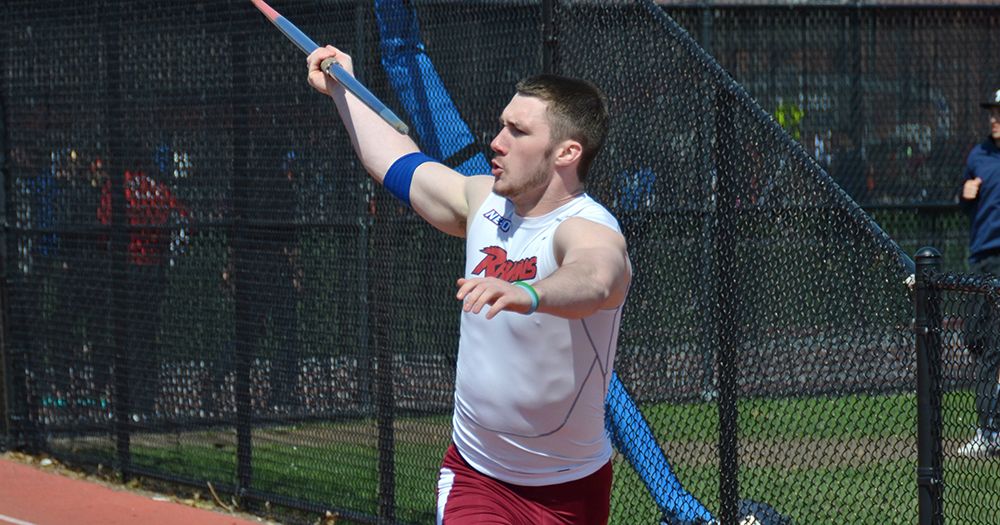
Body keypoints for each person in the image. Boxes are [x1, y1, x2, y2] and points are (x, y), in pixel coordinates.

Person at [307, 46, 631, 524]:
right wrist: (342, 88)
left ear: (567, 152)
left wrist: (531, 293)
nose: (497, 141)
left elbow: (596, 278)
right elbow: (398, 164)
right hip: (478, 475)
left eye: (517, 131)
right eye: (502, 125)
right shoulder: (481, 200)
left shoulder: (590, 228)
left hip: (572, 488)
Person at [957, 88, 1000, 457]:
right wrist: (965, 194)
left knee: (994, 349)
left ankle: (989, 431)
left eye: (999, 113)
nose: (993, 119)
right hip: (980, 258)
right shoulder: (978, 154)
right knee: (974, 337)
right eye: (992, 113)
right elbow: (964, 201)